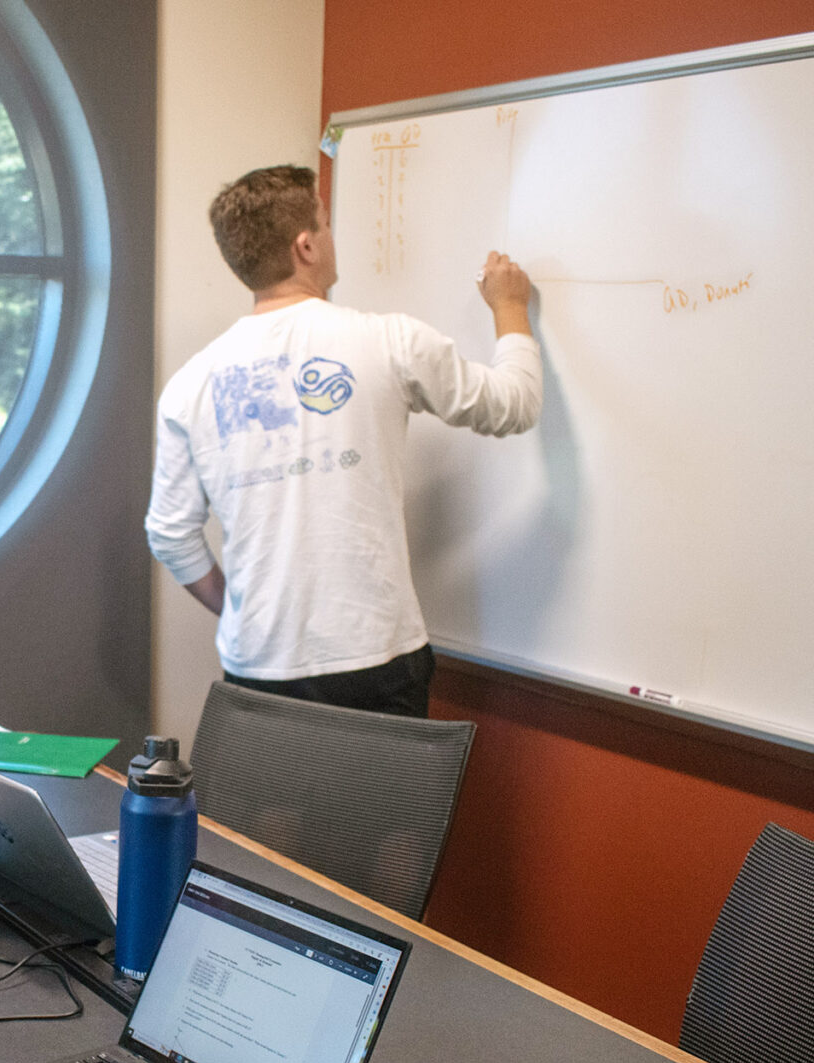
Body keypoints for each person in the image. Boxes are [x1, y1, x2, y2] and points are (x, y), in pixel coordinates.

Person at [145, 165, 543, 717]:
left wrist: (240, 610)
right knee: (381, 783)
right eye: (326, 224)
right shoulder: (389, 340)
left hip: (255, 667)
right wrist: (510, 307)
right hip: (375, 661)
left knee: (267, 784)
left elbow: (169, 534)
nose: (332, 236)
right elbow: (514, 405)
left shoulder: (191, 385)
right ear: (306, 246)